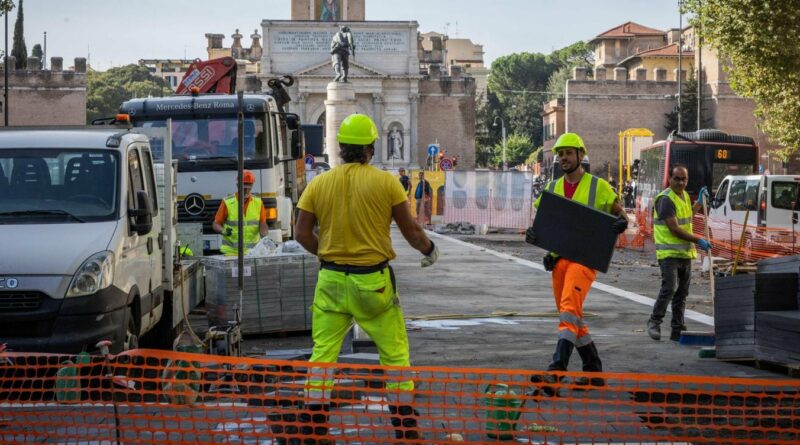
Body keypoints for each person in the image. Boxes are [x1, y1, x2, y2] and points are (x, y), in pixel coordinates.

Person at [292, 113, 439, 443]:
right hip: (373, 283)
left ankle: (314, 427)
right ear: (371, 148)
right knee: (395, 353)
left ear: (340, 148)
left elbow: (301, 233)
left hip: (330, 281)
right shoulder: (386, 183)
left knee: (323, 354)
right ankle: (405, 428)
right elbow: (412, 232)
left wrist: (327, 253)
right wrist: (429, 250)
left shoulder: (319, 183)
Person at [525, 133, 628, 391]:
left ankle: (556, 370)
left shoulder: (598, 186)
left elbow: (619, 213)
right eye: (560, 154)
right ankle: (593, 370)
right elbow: (545, 224)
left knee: (569, 309)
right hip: (560, 261)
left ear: (580, 155)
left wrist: (623, 221)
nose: (563, 158)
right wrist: (534, 234)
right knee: (570, 315)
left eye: (569, 153)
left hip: (585, 260)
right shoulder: (552, 188)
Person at [646, 165, 711, 341]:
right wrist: (698, 240)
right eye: (677, 178)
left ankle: (677, 328)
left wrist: (698, 202)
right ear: (670, 178)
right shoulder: (665, 199)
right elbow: (674, 228)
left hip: (684, 254)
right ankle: (654, 321)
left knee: (682, 293)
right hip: (669, 254)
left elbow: (687, 217)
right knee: (669, 289)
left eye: (684, 179)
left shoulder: (682, 197)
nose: (681, 182)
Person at [211, 169, 268, 255]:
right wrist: (223, 231)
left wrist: (265, 238)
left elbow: (262, 224)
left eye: (249, 186)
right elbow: (216, 224)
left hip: (252, 253)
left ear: (252, 185)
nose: (246, 190)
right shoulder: (228, 202)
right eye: (244, 186)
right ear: (238, 185)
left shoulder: (258, 202)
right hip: (231, 253)